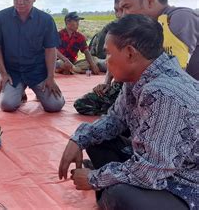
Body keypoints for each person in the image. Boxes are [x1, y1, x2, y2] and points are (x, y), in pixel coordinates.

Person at [59, 14, 198, 210]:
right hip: (160, 167)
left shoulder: (163, 92)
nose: (106, 61)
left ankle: (110, 193)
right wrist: (78, 139)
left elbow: (150, 172)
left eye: (108, 53)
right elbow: (115, 119)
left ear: (130, 53)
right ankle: (111, 189)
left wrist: (94, 178)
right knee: (97, 140)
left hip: (186, 184)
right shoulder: (138, 77)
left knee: (120, 196)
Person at [0, 0, 65, 113]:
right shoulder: (0, 18)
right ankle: (19, 92)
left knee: (55, 105)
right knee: (7, 104)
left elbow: (50, 50)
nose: (20, 2)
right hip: (13, 72)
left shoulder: (46, 20)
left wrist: (50, 77)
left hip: (38, 72)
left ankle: (39, 93)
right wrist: (3, 73)